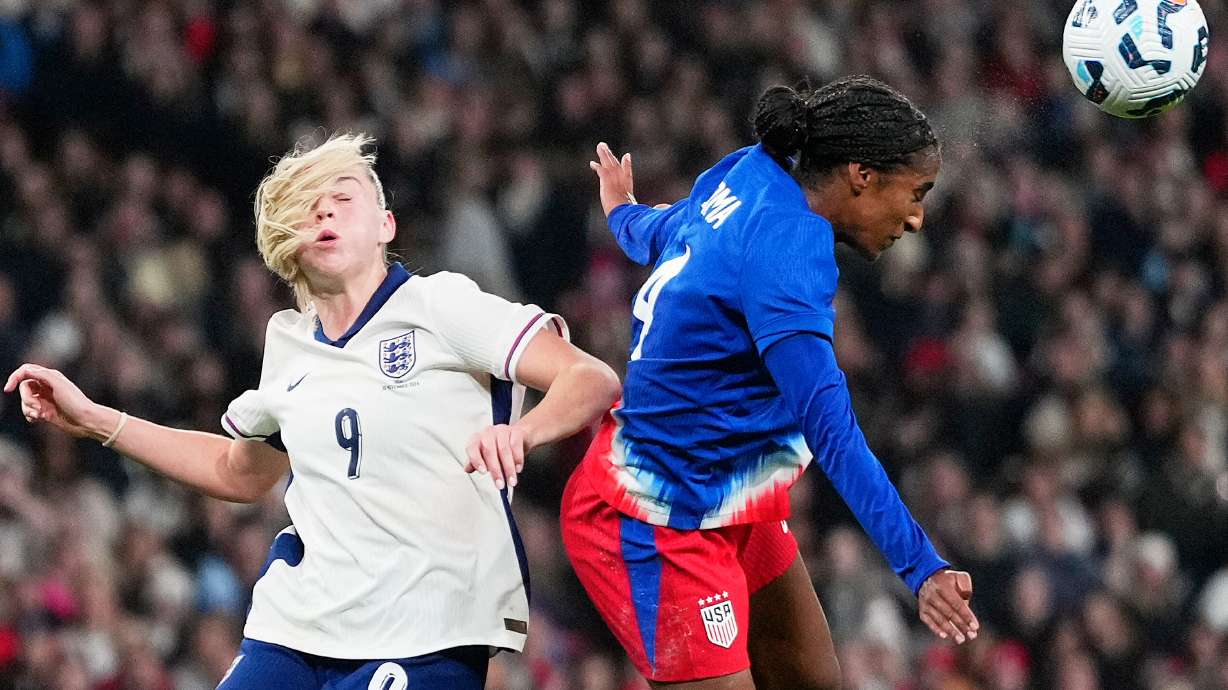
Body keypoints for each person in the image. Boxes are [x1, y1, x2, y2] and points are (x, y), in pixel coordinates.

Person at [5, 133, 621, 690]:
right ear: (289, 242)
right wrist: (96, 420)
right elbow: (236, 470)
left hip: (429, 631)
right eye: (308, 205)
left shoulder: (441, 305)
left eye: (342, 197)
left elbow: (589, 377)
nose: (323, 210)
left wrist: (525, 431)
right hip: (295, 630)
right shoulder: (288, 343)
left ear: (386, 224)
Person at [562, 76, 979, 689]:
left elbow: (673, 231)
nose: (916, 218)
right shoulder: (788, 254)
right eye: (916, 193)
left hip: (730, 490)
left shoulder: (751, 170)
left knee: (812, 680)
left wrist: (623, 213)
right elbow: (830, 429)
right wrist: (919, 566)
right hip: (654, 516)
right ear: (862, 176)